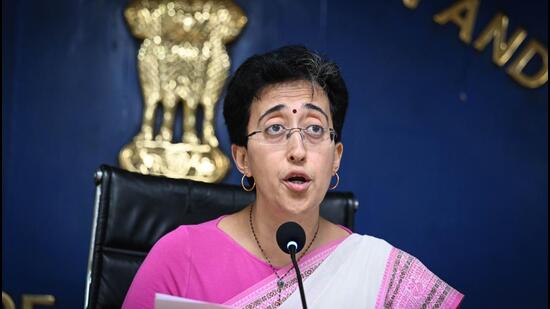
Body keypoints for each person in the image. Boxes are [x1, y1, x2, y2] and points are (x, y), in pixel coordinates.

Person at [122, 45, 464, 308]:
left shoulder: (381, 274)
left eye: (315, 129)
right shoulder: (180, 258)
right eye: (275, 128)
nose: (298, 150)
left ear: (336, 158)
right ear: (242, 158)